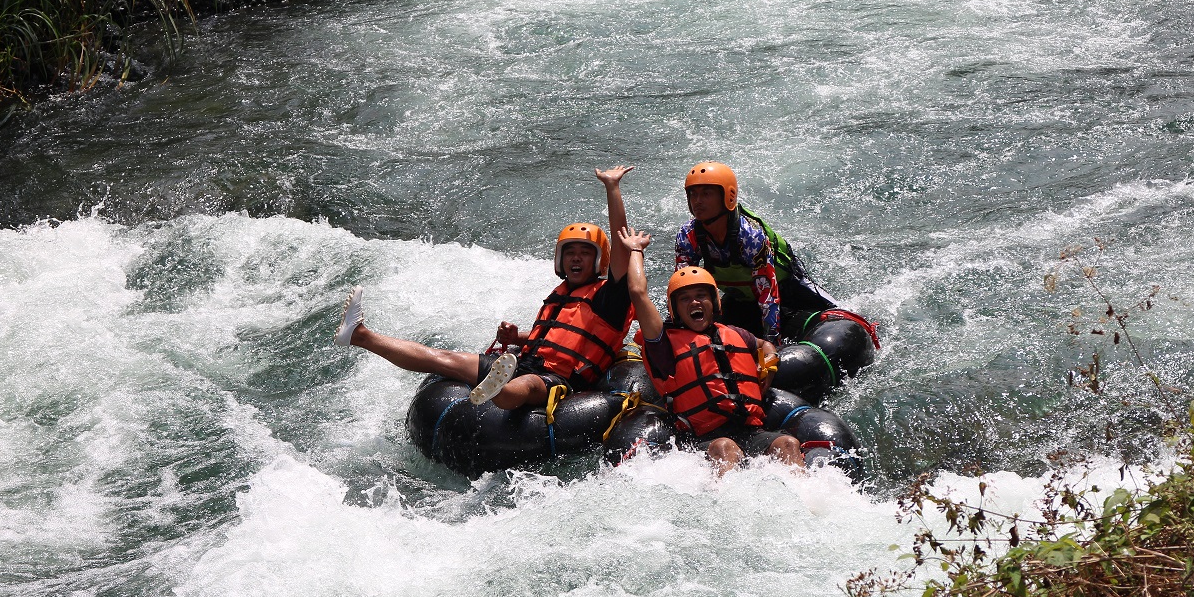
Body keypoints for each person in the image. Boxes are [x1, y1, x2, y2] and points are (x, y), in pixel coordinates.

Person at [334, 166, 637, 409]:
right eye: (570, 252)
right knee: (445, 358)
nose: (576, 258)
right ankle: (360, 335)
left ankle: (501, 393)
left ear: (599, 261)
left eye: (585, 253)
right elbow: (558, 338)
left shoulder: (609, 298)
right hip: (523, 361)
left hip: (558, 380)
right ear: (560, 258)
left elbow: (622, 245)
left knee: (529, 386)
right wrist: (516, 336)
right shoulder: (560, 296)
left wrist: (612, 188)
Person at [621, 226, 804, 474]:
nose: (695, 302)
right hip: (703, 439)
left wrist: (770, 361)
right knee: (725, 448)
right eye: (685, 299)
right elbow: (637, 293)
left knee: (788, 444)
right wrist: (635, 250)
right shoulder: (662, 344)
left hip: (751, 431)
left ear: (714, 302)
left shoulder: (735, 334)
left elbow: (764, 344)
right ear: (674, 309)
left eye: (701, 295)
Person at [675, 161, 839, 344]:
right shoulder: (687, 236)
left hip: (788, 292)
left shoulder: (750, 236)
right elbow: (682, 291)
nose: (697, 201)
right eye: (693, 194)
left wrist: (772, 344)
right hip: (741, 299)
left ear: (727, 197)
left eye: (706, 194)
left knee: (840, 314)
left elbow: (768, 297)